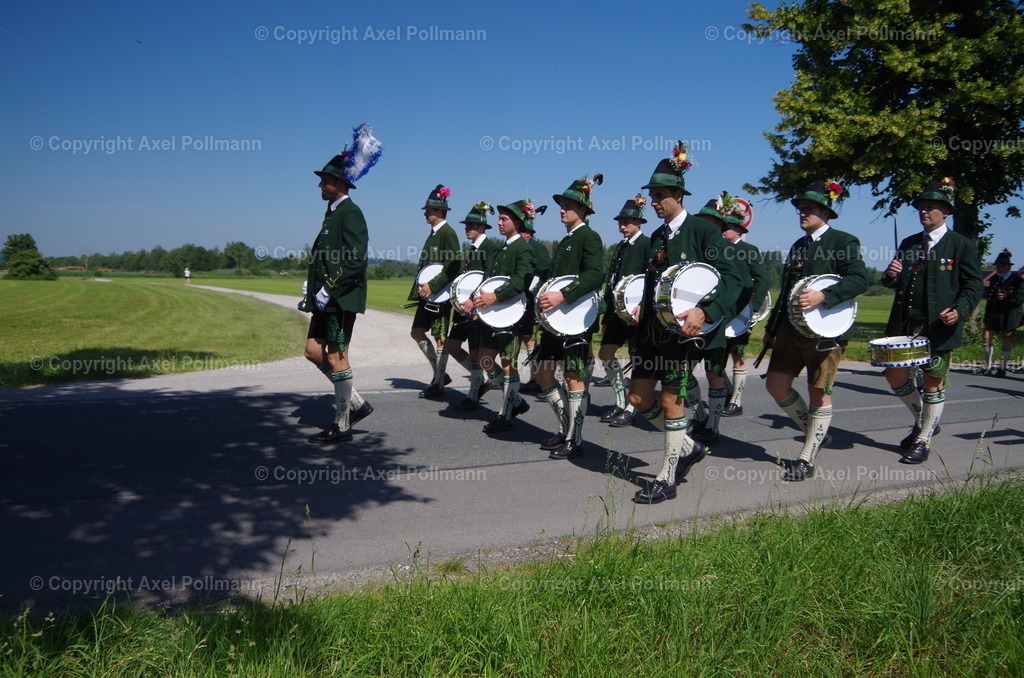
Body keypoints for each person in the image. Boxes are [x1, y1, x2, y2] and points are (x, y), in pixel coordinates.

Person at [627, 144, 743, 503]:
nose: (654, 202)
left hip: (684, 335)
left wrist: (705, 311)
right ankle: (689, 448)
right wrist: (638, 308)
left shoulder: (704, 232)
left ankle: (667, 476)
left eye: (660, 195)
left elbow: (736, 279)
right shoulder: (658, 237)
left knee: (671, 398)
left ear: (678, 194)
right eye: (652, 195)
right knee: (637, 397)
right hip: (651, 332)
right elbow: (655, 284)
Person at [763, 180, 869, 480]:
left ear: (826, 211)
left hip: (827, 333)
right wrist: (771, 328)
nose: (801, 213)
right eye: (799, 209)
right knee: (775, 385)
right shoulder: (798, 245)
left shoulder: (844, 241)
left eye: (808, 209)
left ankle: (807, 458)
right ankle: (817, 432)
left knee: (817, 391)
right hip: (790, 330)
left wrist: (826, 295)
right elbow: (786, 290)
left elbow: (860, 279)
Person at [881, 178, 982, 463]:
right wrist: (890, 274)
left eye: (930, 207)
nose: (924, 212)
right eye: (921, 207)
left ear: (945, 211)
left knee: (932, 382)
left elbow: (974, 286)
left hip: (940, 328)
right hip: (906, 326)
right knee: (894, 374)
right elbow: (894, 281)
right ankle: (927, 421)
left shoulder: (961, 245)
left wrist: (959, 310)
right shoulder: (909, 243)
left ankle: (923, 439)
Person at [300, 125, 381, 443]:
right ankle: (356, 404)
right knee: (312, 352)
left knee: (336, 357)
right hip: (325, 298)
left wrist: (329, 288)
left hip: (340, 298)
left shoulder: (351, 213)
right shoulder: (332, 212)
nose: (320, 184)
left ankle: (343, 423)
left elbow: (355, 259)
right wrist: (312, 288)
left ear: (338, 183)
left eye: (324, 180)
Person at [534, 175, 605, 459]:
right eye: (561, 205)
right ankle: (566, 429)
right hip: (556, 320)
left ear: (584, 210)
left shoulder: (589, 236)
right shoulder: (566, 239)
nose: (562, 209)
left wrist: (564, 295)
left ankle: (575, 439)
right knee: (543, 373)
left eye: (568, 205)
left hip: (576, 320)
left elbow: (595, 275)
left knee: (574, 377)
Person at [687, 194, 751, 445]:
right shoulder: (694, 246)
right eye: (701, 219)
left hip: (715, 324)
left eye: (709, 220)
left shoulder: (726, 249)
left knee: (714, 373)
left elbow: (744, 286)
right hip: (690, 322)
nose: (703, 224)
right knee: (684, 371)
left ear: (719, 225)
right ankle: (699, 416)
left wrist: (724, 314)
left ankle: (713, 425)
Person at [470, 199, 537, 432]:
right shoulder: (502, 248)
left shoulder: (524, 248)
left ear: (517, 222)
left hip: (512, 316)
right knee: (485, 359)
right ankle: (517, 401)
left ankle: (506, 413)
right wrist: (476, 301)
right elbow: (486, 279)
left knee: (508, 363)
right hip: (492, 315)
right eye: (499, 218)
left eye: (504, 219)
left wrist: (494, 297)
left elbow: (521, 281)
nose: (498, 222)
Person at [599, 195, 650, 428]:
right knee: (606, 353)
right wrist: (607, 316)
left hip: (637, 314)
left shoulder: (647, 244)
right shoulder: (621, 246)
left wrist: (644, 306)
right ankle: (620, 400)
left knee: (636, 358)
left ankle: (631, 407)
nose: (622, 226)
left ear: (638, 222)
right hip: (617, 313)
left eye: (627, 222)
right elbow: (613, 283)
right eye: (620, 222)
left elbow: (651, 279)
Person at [446, 202, 502, 410]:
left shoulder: (490, 248)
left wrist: (473, 299)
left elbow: (489, 278)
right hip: (464, 309)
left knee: (477, 353)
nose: (467, 229)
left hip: (477, 308)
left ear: (481, 228)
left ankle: (474, 394)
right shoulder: (471, 249)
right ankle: (480, 380)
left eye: (470, 225)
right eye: (466, 225)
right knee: (452, 346)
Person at [408, 185, 463, 399]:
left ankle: (439, 382)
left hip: (439, 296)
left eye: (429, 210)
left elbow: (454, 264)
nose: (425, 213)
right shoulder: (433, 234)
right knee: (417, 332)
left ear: (439, 212)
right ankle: (440, 373)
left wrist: (434, 285)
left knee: (440, 337)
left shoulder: (448, 233)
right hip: (427, 295)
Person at [720, 198, 769, 418]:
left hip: (742, 312)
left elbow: (762, 279)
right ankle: (728, 394)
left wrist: (755, 309)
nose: (722, 231)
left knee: (737, 355)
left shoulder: (749, 249)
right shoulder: (716, 250)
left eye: (726, 227)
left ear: (738, 229)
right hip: (720, 312)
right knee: (715, 357)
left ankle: (737, 402)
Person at [518, 225, 551, 393]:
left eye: (521, 231)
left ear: (529, 234)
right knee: (525, 337)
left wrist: (536, 293)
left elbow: (545, 273)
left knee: (529, 337)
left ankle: (536, 377)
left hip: (533, 297)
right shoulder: (517, 246)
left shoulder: (538, 249)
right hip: (519, 298)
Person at [979, 249, 1023, 376]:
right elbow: (989, 300)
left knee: (1006, 338)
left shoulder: (1018, 281)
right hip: (994, 314)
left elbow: (1020, 298)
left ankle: (1002, 367)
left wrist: (1007, 297)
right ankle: (986, 366)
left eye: (1003, 266)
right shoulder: (994, 280)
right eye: (998, 266)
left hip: (1010, 315)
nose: (1000, 268)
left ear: (1009, 267)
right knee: (986, 336)